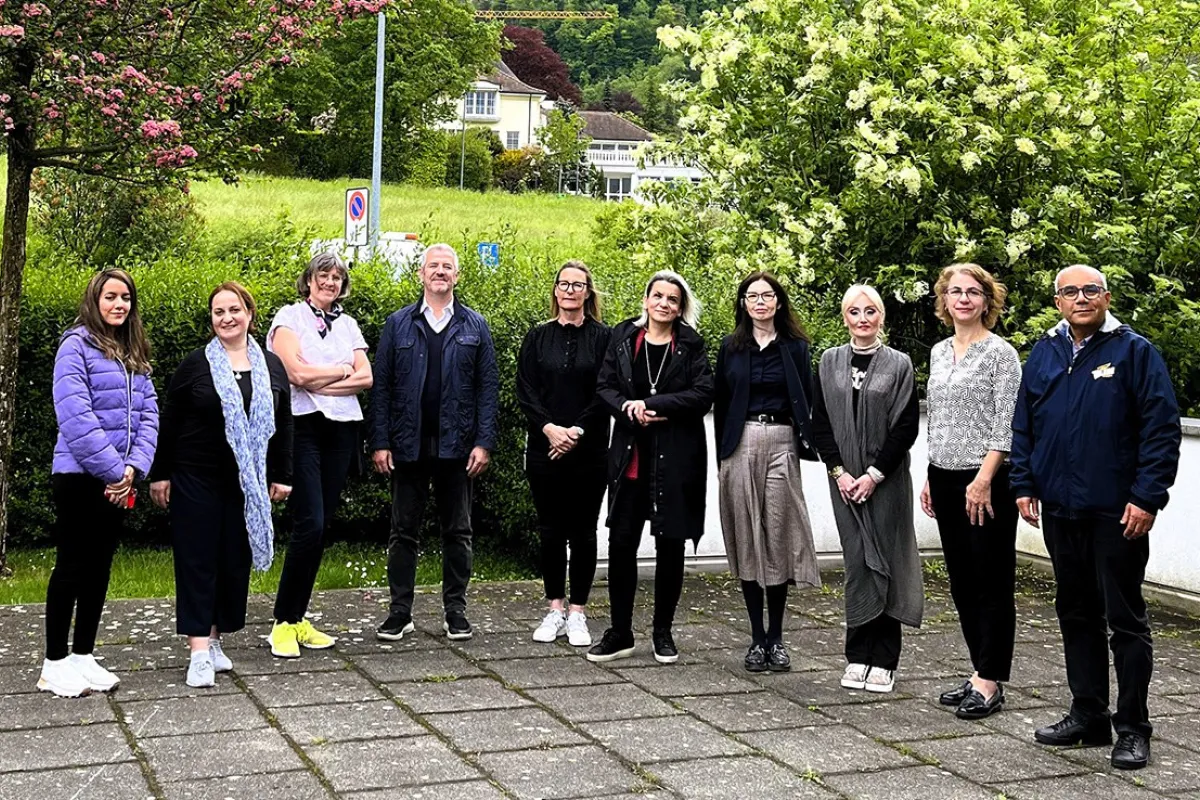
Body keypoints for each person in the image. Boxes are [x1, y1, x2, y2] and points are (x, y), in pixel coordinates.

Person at [1011, 264, 1181, 771]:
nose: (1081, 298)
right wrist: (1023, 484)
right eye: (1070, 291)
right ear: (1058, 301)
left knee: (1125, 622)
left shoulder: (1134, 352)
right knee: (1075, 614)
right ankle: (1088, 715)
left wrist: (1147, 497)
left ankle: (1132, 728)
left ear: (1105, 297)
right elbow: (1025, 424)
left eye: (1090, 290)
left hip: (1117, 512)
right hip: (1060, 510)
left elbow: (1160, 429)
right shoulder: (1044, 352)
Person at [150, 282, 293, 688]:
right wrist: (160, 474)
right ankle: (197, 652)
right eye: (218, 312)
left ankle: (214, 640)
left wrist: (283, 474)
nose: (227, 318)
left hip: (245, 483)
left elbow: (284, 424)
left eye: (234, 309)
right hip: (195, 477)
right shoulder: (195, 366)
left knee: (232, 562)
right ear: (212, 320)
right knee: (197, 560)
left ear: (249, 313)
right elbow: (169, 422)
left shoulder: (272, 365)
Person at [370, 244, 499, 642]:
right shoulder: (398, 324)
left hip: (457, 447)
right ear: (421, 274)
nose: (440, 272)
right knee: (402, 531)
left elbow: (488, 388)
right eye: (433, 266)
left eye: (447, 267)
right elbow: (382, 387)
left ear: (457, 276)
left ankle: (455, 610)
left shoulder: (476, 326)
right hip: (407, 445)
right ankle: (399, 612)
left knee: (458, 531)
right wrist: (380, 441)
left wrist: (484, 442)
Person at [40, 269, 159, 697]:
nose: (119, 304)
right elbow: (75, 415)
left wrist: (134, 469)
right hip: (79, 477)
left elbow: (149, 413)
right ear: (95, 299)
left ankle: (82, 655)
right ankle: (54, 662)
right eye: (111, 296)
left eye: (125, 298)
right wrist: (114, 471)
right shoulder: (75, 347)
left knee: (99, 569)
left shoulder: (134, 353)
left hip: (119, 480)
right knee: (72, 566)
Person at [587, 270, 714, 665]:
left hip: (675, 461)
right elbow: (604, 386)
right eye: (657, 296)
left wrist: (657, 406)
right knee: (621, 545)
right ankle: (620, 631)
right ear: (646, 300)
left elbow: (704, 392)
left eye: (672, 299)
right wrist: (628, 408)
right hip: (630, 461)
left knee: (670, 546)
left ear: (680, 308)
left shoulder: (691, 346)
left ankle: (663, 631)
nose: (663, 303)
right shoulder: (624, 338)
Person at [919, 264, 1022, 719]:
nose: (963, 298)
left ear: (986, 301)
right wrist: (929, 474)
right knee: (961, 580)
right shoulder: (940, 352)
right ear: (945, 300)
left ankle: (991, 680)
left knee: (991, 580)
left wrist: (983, 480)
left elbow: (1007, 424)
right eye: (955, 291)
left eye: (973, 292)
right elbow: (938, 418)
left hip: (987, 479)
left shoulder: (1001, 354)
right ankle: (979, 668)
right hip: (943, 475)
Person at [812, 284, 921, 694]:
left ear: (881, 317)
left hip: (886, 483)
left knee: (889, 563)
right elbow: (819, 422)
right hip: (844, 484)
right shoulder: (828, 361)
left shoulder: (900, 365)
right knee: (858, 563)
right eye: (854, 312)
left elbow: (905, 426)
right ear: (845, 318)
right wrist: (839, 471)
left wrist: (874, 474)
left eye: (870, 311)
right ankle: (857, 655)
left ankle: (885, 661)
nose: (863, 318)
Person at [266, 254, 373, 658]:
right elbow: (294, 373)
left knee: (322, 523)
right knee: (308, 522)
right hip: (303, 425)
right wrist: (342, 370)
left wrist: (324, 377)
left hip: (342, 428)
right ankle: (281, 622)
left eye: (336, 277)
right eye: (322, 275)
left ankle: (297, 618)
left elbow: (368, 377)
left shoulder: (347, 324)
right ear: (308, 280)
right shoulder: (288, 317)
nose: (329, 282)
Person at [714, 272, 820, 674]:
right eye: (752, 295)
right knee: (746, 537)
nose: (760, 301)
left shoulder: (796, 346)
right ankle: (755, 638)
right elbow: (722, 404)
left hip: (781, 442)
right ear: (743, 303)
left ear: (779, 302)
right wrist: (723, 457)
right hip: (740, 444)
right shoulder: (730, 347)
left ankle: (776, 638)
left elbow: (805, 397)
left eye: (768, 295)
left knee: (777, 535)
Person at [517, 261, 611, 648]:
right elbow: (525, 389)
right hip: (545, 450)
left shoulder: (604, 339)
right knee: (551, 532)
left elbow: (607, 389)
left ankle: (578, 613)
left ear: (588, 293)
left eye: (579, 285)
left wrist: (575, 431)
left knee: (583, 533)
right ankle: (554, 607)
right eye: (564, 284)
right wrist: (549, 429)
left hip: (588, 452)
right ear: (555, 291)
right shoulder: (537, 338)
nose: (571, 290)